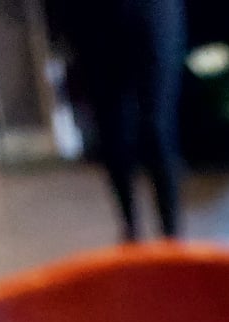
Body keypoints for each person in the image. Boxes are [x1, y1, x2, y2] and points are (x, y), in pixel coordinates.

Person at [59, 0, 187, 241]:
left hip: (146, 12)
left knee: (156, 129)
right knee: (116, 132)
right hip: (101, 17)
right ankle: (134, 234)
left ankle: (169, 239)